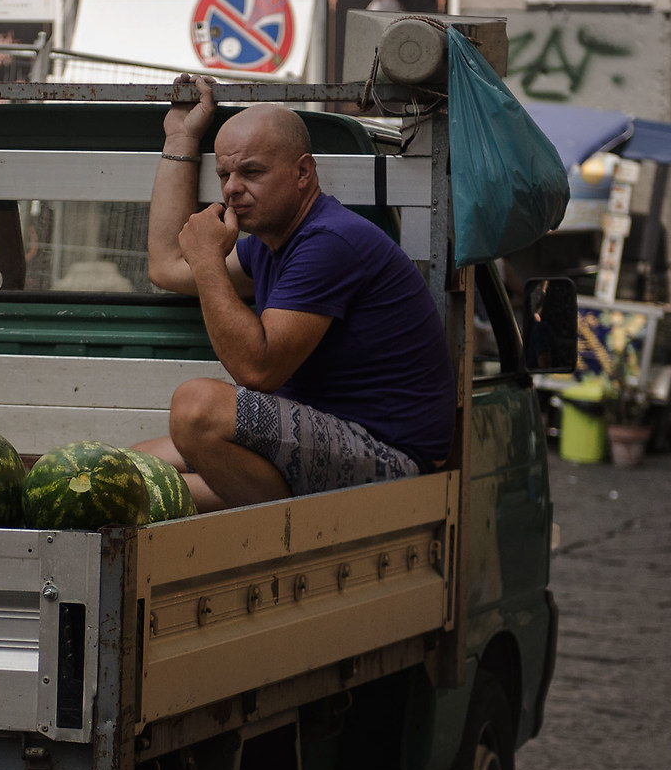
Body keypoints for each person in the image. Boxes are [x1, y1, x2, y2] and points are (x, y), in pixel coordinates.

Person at [133, 75, 456, 512]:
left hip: (390, 457)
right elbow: (168, 264)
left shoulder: (330, 241)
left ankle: (287, 531)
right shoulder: (273, 243)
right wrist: (180, 136)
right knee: (134, 466)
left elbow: (257, 371)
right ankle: (236, 506)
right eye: (225, 174)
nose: (231, 189)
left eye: (251, 172)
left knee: (197, 410)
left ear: (303, 172)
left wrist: (209, 262)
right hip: (324, 437)